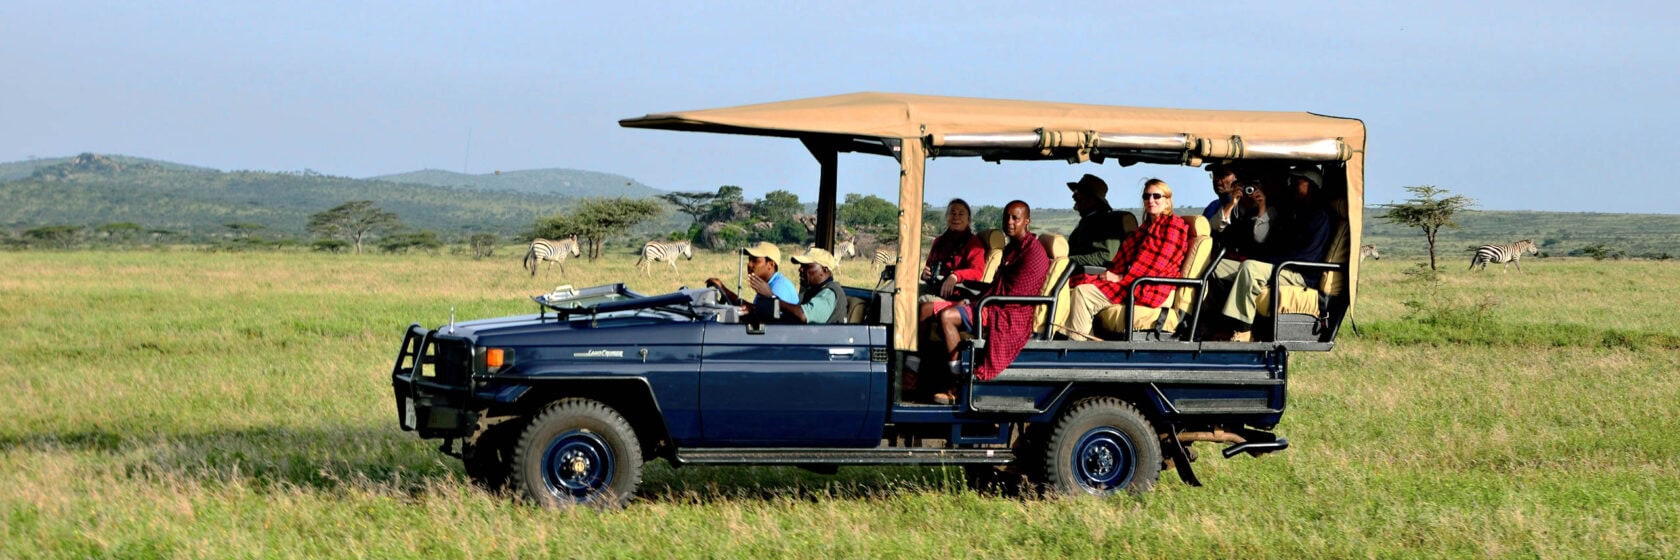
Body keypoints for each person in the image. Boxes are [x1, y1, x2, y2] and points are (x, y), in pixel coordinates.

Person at [923, 200, 1050, 404]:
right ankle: (919, 374)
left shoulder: (1033, 252)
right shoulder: (1012, 248)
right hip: (990, 301)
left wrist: (975, 299)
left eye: (1015, 218)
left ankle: (958, 383)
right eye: (1006, 217)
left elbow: (1017, 294)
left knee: (947, 316)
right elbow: (999, 284)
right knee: (930, 308)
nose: (1009, 222)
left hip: (1008, 311)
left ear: (1027, 221)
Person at [1209, 167, 1333, 342]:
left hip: (1300, 273)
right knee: (1215, 266)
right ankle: (1214, 323)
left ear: (1313, 185)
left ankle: (1243, 331)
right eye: (1292, 181)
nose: (1292, 185)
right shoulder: (1294, 211)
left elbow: (1305, 256)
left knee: (1251, 268)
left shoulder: (1319, 216)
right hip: (1282, 266)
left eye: (1298, 182)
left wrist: (1267, 260)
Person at [1061, 179, 1191, 340]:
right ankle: (1081, 342)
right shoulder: (1145, 228)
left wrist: (1120, 277)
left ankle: (1079, 348)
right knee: (1072, 286)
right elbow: (1125, 259)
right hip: (1137, 280)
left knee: (1083, 293)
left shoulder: (1172, 226)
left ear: (1167, 201)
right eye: (1146, 196)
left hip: (1150, 286)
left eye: (1156, 196)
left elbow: (1157, 265)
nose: (1150, 200)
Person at [748, 247, 846, 324]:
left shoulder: (829, 293)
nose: (800, 269)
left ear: (824, 270)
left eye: (806, 266)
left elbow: (804, 316)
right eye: (801, 266)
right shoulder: (811, 292)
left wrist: (772, 297)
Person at [706, 241, 797, 321]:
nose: (749, 264)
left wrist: (725, 290)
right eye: (749, 259)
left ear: (770, 264)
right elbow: (755, 310)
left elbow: (764, 316)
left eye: (755, 260)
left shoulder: (780, 287)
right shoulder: (767, 285)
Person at [920, 198, 987, 302]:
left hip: (958, 296)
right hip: (935, 288)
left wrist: (955, 276)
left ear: (969, 220)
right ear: (947, 217)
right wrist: (925, 274)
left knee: (916, 299)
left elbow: (977, 272)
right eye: (952, 213)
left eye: (961, 214)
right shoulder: (938, 242)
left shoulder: (974, 244)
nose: (956, 217)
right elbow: (929, 266)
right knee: (903, 291)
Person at [1065, 174, 1129, 268]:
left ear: (1092, 200)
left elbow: (1105, 257)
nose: (1073, 196)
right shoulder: (1089, 220)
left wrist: (1067, 261)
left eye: (1078, 193)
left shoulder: (1106, 223)